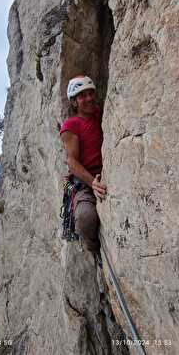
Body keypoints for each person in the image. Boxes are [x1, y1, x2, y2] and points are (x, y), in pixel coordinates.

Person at [60, 75, 107, 254]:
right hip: (85, 182)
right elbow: (72, 161)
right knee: (86, 218)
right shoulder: (71, 125)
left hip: (104, 172)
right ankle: (93, 245)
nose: (88, 98)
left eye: (90, 93)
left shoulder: (99, 114)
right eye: (82, 96)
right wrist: (92, 183)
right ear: (74, 102)